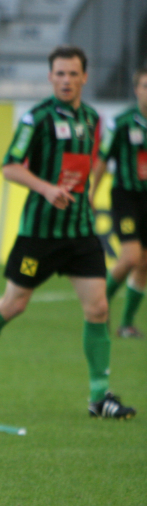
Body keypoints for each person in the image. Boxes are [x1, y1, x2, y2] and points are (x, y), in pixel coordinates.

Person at [0, 46, 135, 420]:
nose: (66, 80)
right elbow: (9, 167)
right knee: (14, 304)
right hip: (40, 234)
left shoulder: (95, 120)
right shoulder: (37, 119)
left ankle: (99, 395)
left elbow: (90, 165)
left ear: (84, 77)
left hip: (80, 231)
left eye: (73, 74)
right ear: (50, 77)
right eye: (59, 74)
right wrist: (47, 188)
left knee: (97, 307)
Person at [90, 66, 147, 338]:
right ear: (136, 90)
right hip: (126, 196)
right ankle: (99, 306)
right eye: (145, 86)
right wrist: (91, 193)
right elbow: (102, 159)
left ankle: (126, 324)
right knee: (131, 257)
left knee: (144, 264)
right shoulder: (122, 122)